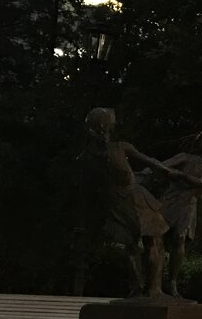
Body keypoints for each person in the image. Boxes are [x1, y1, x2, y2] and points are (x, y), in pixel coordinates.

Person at [79, 107, 192, 298]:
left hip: (115, 202)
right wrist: (169, 172)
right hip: (133, 199)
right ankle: (152, 289)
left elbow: (88, 189)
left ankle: (137, 288)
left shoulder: (88, 157)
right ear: (106, 127)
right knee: (153, 240)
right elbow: (149, 161)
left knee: (132, 245)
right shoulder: (119, 148)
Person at [157, 131, 202, 297]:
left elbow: (201, 182)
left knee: (180, 237)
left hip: (188, 204)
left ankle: (172, 282)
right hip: (170, 199)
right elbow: (162, 165)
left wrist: (180, 175)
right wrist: (151, 169)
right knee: (157, 236)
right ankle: (155, 281)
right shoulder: (186, 157)